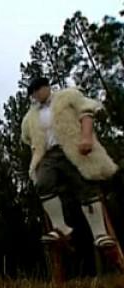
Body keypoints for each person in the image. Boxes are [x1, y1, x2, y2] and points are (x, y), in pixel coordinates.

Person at [21, 77, 123, 270]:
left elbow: (87, 112)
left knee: (85, 183)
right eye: (33, 92)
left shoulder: (68, 96)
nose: (37, 94)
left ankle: (100, 233)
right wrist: (36, 156)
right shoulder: (31, 117)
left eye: (39, 89)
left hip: (72, 147)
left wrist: (86, 137)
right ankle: (60, 227)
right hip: (49, 154)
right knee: (42, 182)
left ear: (46, 87)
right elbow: (28, 138)